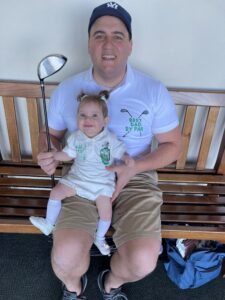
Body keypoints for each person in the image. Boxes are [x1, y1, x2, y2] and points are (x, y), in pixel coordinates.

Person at [37, 2, 182, 300]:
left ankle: (110, 282)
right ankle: (74, 288)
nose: (108, 43)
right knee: (64, 257)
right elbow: (50, 135)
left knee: (143, 260)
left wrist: (133, 168)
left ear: (130, 45)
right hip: (81, 175)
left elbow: (172, 146)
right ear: (89, 43)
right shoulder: (67, 89)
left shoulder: (152, 90)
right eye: (99, 34)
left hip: (136, 176)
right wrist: (49, 153)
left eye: (118, 35)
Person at [30, 90, 129, 256]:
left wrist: (127, 160)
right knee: (55, 192)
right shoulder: (76, 137)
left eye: (94, 115)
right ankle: (49, 223)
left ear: (105, 121)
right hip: (78, 179)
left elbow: (121, 152)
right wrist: (54, 155)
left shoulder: (109, 139)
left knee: (106, 212)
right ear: (77, 119)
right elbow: (68, 155)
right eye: (82, 115)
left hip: (101, 184)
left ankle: (99, 237)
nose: (87, 119)